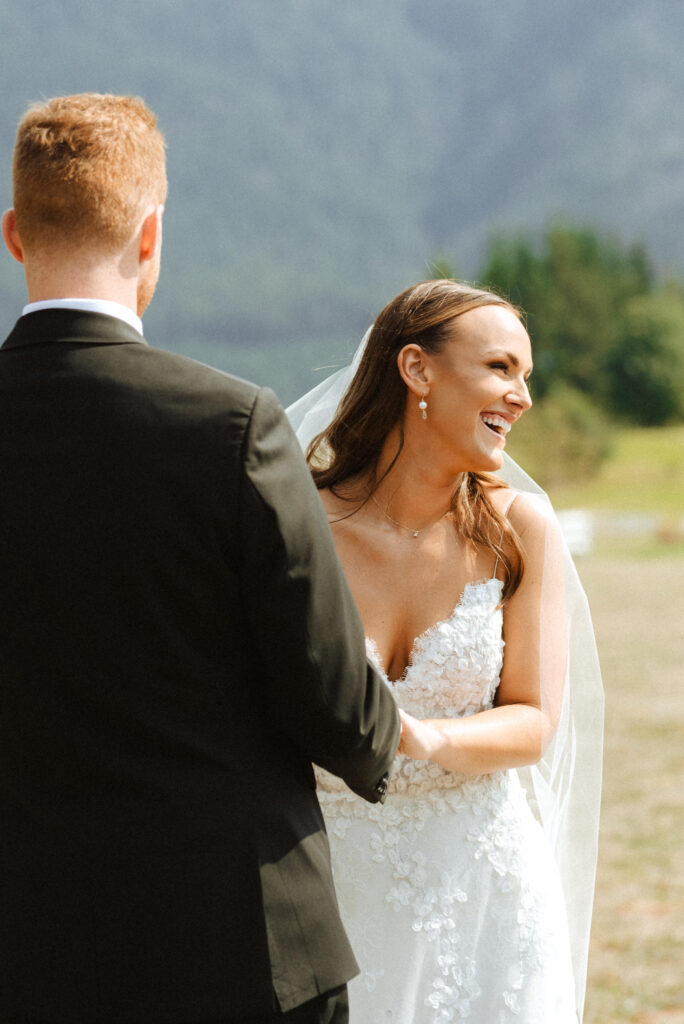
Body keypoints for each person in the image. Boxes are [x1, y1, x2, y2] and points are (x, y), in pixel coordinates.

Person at [0, 93, 400, 1024]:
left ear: (16, 234)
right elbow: (337, 700)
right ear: (150, 237)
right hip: (234, 941)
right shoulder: (231, 426)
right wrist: (379, 738)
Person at [287, 279, 603, 1023]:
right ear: (417, 369)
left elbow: (533, 719)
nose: (521, 396)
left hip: (487, 893)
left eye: (526, 376)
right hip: (334, 889)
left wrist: (425, 737)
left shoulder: (519, 528)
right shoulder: (299, 525)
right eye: (500, 368)